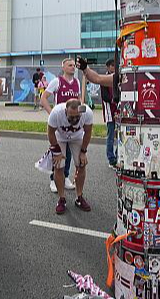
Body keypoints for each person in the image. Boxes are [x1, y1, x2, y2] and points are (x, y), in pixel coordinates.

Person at [40, 59, 82, 192]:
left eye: (74, 66)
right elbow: (44, 98)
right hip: (60, 123)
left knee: (69, 152)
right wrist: (52, 113)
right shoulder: (57, 81)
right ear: (63, 67)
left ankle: (65, 176)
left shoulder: (77, 82)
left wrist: (80, 116)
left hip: (73, 123)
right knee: (57, 151)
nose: (73, 67)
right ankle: (54, 179)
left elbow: (80, 100)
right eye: (70, 65)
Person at [46, 99, 94, 215]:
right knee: (59, 166)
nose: (74, 120)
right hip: (60, 137)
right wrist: (57, 152)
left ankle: (79, 197)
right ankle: (61, 199)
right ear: (65, 111)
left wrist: (83, 151)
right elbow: (50, 133)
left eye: (77, 117)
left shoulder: (87, 112)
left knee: (81, 164)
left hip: (77, 137)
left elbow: (88, 132)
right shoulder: (56, 113)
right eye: (70, 117)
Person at [77, 57, 117, 167]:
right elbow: (97, 78)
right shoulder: (110, 77)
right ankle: (111, 159)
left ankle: (120, 156)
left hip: (122, 111)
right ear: (108, 67)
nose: (115, 67)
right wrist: (86, 69)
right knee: (111, 134)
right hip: (110, 110)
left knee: (121, 135)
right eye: (113, 65)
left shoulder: (121, 75)